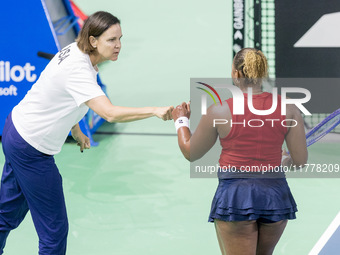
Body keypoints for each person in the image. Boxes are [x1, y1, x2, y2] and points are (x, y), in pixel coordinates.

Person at [0, 11, 173, 255]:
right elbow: (109, 113)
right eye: (111, 40)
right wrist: (154, 110)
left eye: (120, 38)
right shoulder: (78, 70)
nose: (119, 46)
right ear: (93, 41)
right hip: (31, 149)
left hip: (15, 130)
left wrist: (76, 128)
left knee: (6, 214)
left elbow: (65, 97)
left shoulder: (76, 50)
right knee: (54, 233)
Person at [171, 48, 308, 255]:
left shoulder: (219, 111)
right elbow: (299, 161)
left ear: (236, 74)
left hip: (236, 198)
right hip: (275, 198)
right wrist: (285, 159)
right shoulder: (289, 109)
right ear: (263, 73)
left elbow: (191, 152)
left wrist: (180, 120)